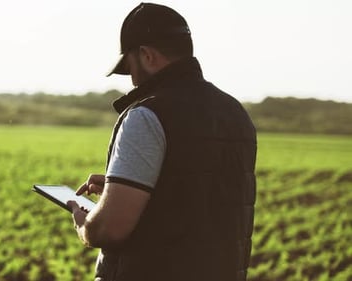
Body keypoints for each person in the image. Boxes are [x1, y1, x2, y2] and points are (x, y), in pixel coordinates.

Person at [67, 3, 257, 281]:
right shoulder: (235, 113)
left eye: (129, 65)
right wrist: (124, 186)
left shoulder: (147, 115)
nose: (131, 79)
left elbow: (110, 228)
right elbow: (199, 198)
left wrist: (85, 224)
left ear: (146, 55)